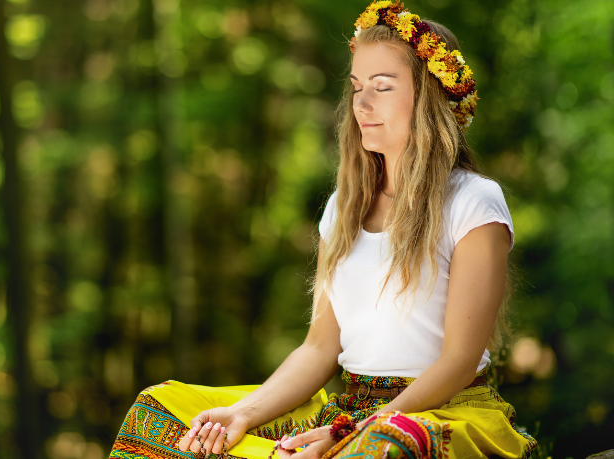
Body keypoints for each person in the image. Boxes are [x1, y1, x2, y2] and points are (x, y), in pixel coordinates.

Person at [108, 1, 538, 458]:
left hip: (438, 412)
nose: (362, 104)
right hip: (350, 411)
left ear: (430, 96)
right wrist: (244, 413)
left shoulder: (473, 202)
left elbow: (459, 361)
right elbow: (318, 348)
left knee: (383, 446)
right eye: (356, 87)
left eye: (382, 87)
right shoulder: (343, 208)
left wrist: (352, 432)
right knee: (161, 413)